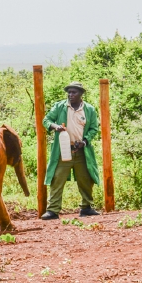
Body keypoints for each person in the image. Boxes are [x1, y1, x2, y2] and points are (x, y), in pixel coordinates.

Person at [41, 82, 100, 220]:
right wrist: (55, 126)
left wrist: (85, 141)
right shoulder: (60, 106)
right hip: (63, 150)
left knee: (86, 179)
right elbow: (46, 120)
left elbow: (94, 128)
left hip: (81, 151)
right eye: (69, 92)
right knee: (57, 178)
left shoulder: (89, 109)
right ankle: (53, 210)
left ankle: (86, 207)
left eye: (74, 92)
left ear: (81, 94)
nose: (70, 94)